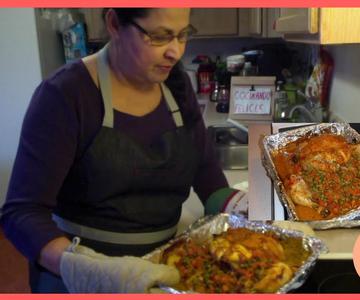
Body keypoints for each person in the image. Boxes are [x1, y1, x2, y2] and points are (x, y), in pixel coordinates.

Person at [1, 8, 243, 293]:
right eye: (160, 36)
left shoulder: (177, 86)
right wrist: (89, 270)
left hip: (164, 274)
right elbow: (22, 213)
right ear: (115, 24)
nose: (175, 52)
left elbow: (206, 174)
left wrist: (244, 207)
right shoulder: (66, 94)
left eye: (183, 35)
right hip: (80, 280)